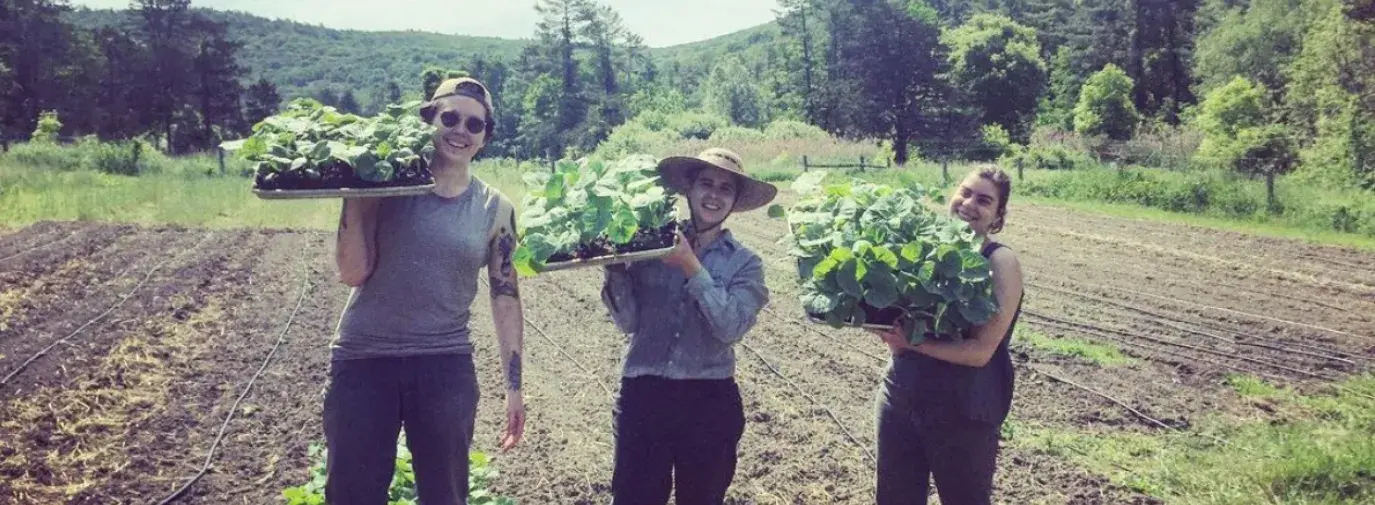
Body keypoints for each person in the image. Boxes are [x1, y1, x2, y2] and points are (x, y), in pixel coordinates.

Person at [327, 77, 525, 505]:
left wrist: (514, 386)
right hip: (364, 360)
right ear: (429, 120)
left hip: (444, 365)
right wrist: (354, 195)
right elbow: (351, 272)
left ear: (485, 137)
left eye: (475, 125)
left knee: (445, 496)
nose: (461, 131)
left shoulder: (497, 209)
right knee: (352, 494)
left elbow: (505, 296)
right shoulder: (388, 185)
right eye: (449, 118)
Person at [599, 148, 777, 505]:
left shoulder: (746, 265)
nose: (713, 195)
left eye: (725, 189)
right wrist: (614, 265)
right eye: (706, 184)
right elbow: (630, 322)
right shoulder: (649, 244)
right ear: (689, 190)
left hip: (708, 402)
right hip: (643, 394)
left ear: (735, 201)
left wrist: (690, 266)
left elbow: (730, 327)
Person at [869, 165, 1025, 505]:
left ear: (997, 216)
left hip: (964, 409)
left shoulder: (999, 262)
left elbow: (980, 351)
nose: (970, 204)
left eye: (984, 200)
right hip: (902, 396)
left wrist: (913, 342)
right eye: (965, 192)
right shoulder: (921, 251)